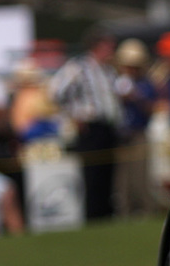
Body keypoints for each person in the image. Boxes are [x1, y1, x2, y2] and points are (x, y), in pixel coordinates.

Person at [49, 29, 122, 221]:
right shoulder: (79, 67)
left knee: (108, 171)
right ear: (97, 46)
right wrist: (74, 115)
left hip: (108, 125)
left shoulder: (109, 70)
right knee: (92, 173)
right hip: (90, 127)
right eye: (108, 46)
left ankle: (107, 212)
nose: (112, 50)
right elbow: (57, 92)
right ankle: (93, 214)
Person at [112, 38, 157, 216]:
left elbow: (151, 108)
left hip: (138, 132)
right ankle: (125, 210)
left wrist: (134, 97)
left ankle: (145, 208)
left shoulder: (145, 84)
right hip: (121, 134)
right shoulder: (116, 82)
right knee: (122, 178)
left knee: (140, 175)